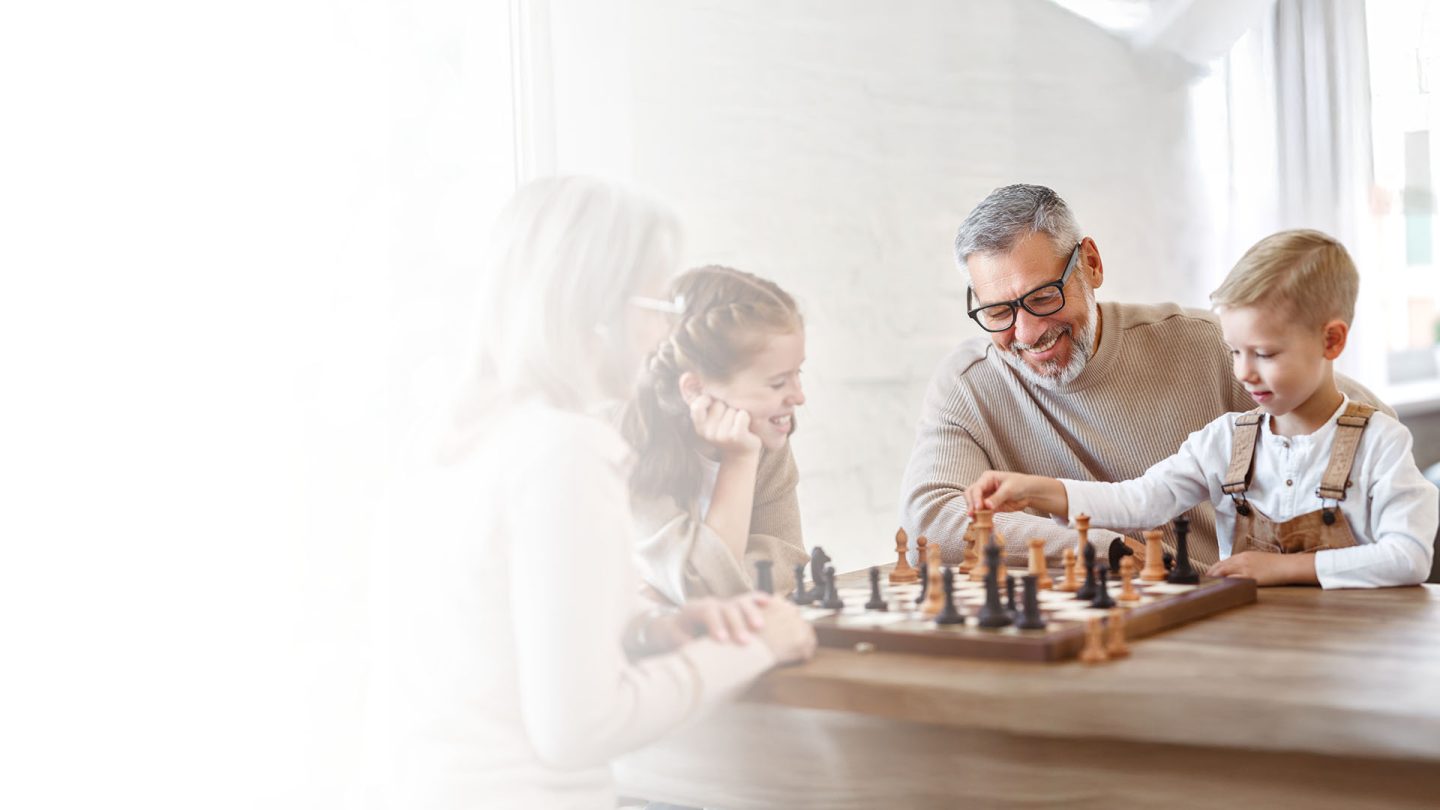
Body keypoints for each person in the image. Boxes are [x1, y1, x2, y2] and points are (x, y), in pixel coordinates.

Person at [364, 176, 816, 809]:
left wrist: (651, 630)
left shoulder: (449, 439)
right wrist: (757, 648)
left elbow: (499, 648)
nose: (663, 337)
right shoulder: (565, 451)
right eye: (656, 308)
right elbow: (581, 729)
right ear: (601, 311)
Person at [898, 184, 1388, 569]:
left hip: (1234, 607)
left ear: (1091, 264)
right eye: (998, 312)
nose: (1027, 332)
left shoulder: (1208, 345)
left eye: (1043, 297)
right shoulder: (968, 384)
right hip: (1103, 616)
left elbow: (1367, 425)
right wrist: (1102, 550)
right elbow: (930, 521)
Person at [964, 229, 1437, 588]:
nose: (1244, 373)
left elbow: (1409, 556)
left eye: (1265, 354)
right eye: (1235, 352)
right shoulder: (1226, 441)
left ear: (1331, 341)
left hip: (1358, 652)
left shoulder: (1380, 442)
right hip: (1255, 646)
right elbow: (1139, 500)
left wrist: (1282, 568)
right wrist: (1035, 490)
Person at [620, 265, 810, 604]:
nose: (798, 396)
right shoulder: (633, 446)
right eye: (778, 383)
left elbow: (786, 559)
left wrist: (687, 587)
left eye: (798, 374)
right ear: (695, 389)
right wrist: (739, 460)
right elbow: (704, 589)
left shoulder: (765, 436)